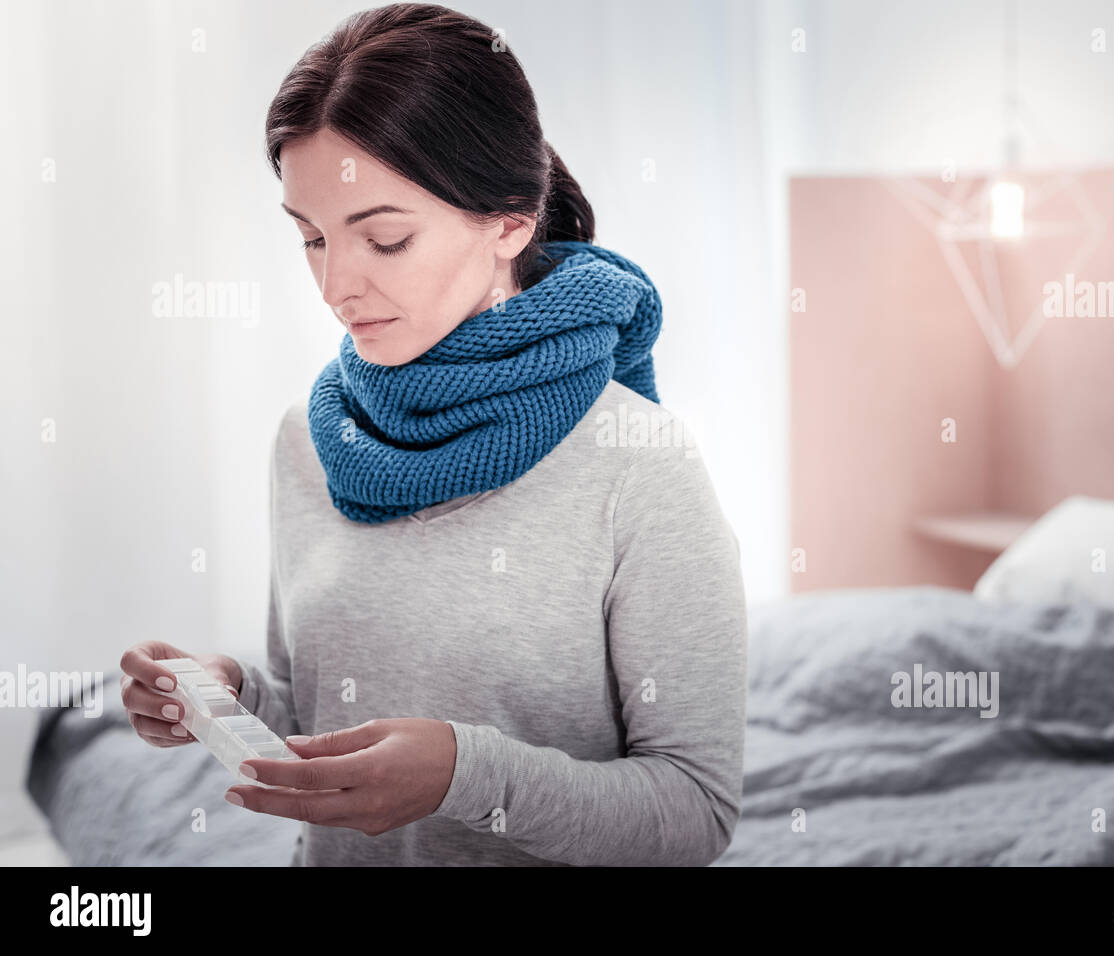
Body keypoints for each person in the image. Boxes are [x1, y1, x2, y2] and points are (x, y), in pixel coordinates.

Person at [119, 2, 748, 867]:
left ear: (509, 222)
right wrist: (227, 700)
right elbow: (320, 720)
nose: (336, 286)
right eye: (310, 239)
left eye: (384, 238)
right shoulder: (308, 439)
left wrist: (467, 776)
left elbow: (694, 812)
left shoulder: (640, 466)